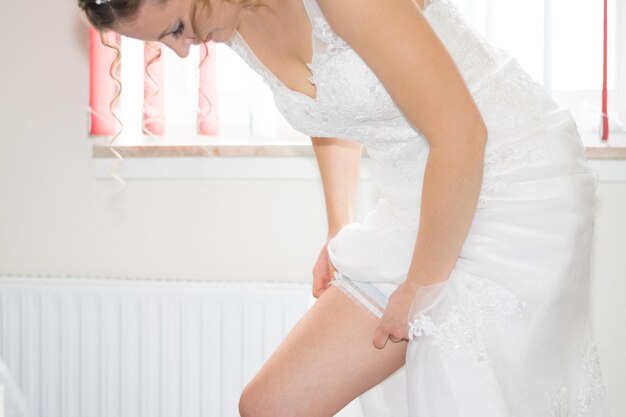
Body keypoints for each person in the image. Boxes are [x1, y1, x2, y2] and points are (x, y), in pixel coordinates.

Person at [77, 0, 612, 415]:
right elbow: (329, 109)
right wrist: (339, 229)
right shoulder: (230, 19)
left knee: (463, 389)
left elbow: (462, 134)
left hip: (514, 182)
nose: (183, 50)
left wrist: (420, 284)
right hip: (421, 198)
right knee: (269, 405)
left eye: (174, 29)